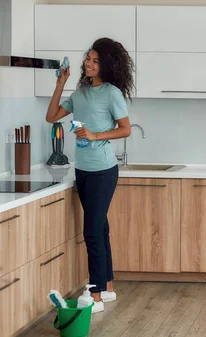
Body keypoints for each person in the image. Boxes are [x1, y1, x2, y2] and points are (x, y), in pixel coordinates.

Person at [45, 37, 135, 314]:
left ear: (107, 65)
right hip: (82, 170)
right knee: (100, 229)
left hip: (103, 170)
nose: (89, 63)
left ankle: (94, 294)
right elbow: (52, 117)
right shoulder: (80, 93)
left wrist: (96, 135)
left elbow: (126, 129)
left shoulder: (112, 93)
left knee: (92, 232)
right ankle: (106, 287)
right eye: (88, 58)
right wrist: (61, 83)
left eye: (96, 60)